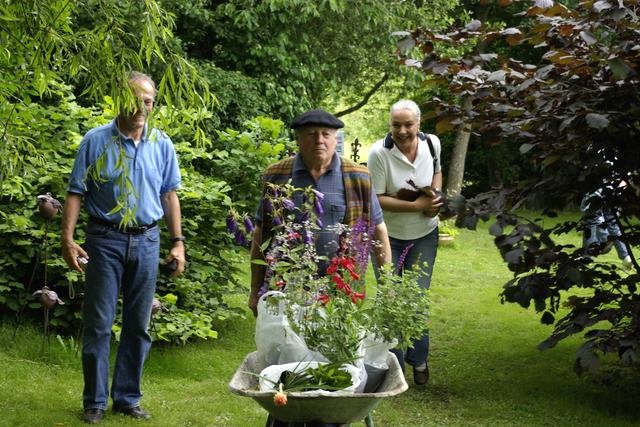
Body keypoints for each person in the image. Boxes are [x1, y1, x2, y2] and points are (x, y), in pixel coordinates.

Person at [60, 71, 186, 424]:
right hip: (105, 240)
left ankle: (127, 398)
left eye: (148, 101)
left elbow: (169, 194)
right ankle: (95, 402)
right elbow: (75, 193)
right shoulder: (95, 141)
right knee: (99, 323)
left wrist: (178, 243)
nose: (142, 107)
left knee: (138, 324)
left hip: (147, 240)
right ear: (121, 100)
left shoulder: (162, 143)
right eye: (136, 100)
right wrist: (68, 239)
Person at [248, 109, 392, 316]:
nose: (319, 141)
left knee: (338, 344)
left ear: (335, 139)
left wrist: (387, 285)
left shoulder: (357, 176)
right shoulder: (277, 175)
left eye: (326, 134)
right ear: (298, 139)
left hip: (342, 284)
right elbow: (261, 232)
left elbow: (378, 229)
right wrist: (255, 291)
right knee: (287, 344)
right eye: (311, 134)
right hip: (288, 281)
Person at [367, 99, 443, 386]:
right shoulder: (379, 153)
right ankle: (395, 365)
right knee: (391, 298)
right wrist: (416, 205)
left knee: (417, 298)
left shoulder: (433, 143)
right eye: (396, 125)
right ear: (390, 125)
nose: (402, 131)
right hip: (387, 236)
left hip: (425, 234)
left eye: (408, 124)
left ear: (419, 124)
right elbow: (375, 199)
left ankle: (419, 359)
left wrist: (434, 198)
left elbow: (436, 172)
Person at [581, 188, 632, 269]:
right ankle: (626, 256)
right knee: (613, 224)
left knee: (591, 223)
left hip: (595, 194)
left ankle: (587, 257)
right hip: (612, 194)